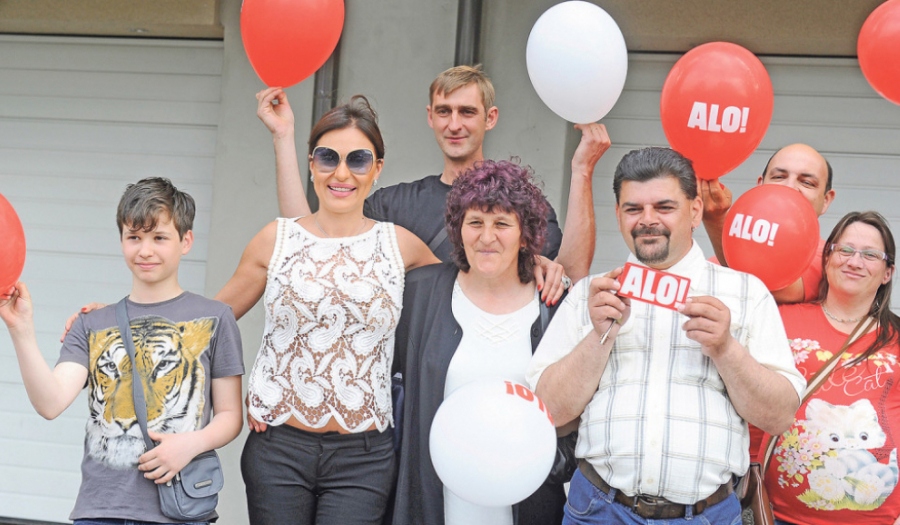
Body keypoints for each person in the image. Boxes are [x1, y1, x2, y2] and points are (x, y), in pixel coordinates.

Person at [527, 147, 807, 524]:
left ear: (694, 211)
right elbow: (548, 413)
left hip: (706, 515)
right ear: (618, 215)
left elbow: (780, 415)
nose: (647, 220)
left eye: (663, 207)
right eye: (633, 209)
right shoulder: (590, 294)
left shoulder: (746, 292)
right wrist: (599, 336)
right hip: (598, 510)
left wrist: (726, 349)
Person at [223, 95, 440, 525]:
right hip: (278, 451)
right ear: (311, 164)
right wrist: (123, 316)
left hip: (365, 458)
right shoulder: (277, 239)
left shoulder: (401, 246)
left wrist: (544, 265)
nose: (342, 173)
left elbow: (470, 294)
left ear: (377, 168)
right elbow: (211, 320)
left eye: (358, 160)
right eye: (328, 158)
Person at [0, 177, 245, 524]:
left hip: (179, 511)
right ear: (122, 240)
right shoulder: (92, 323)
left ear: (185, 241)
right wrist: (20, 329)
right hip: (100, 510)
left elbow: (231, 415)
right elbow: (50, 403)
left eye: (159, 237)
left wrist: (190, 444)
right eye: (134, 237)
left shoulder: (215, 318)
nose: (145, 250)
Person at [259, 64, 611, 287]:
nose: (454, 124)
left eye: (467, 112)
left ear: (490, 118)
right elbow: (309, 239)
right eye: (444, 111)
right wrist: (282, 136)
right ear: (430, 117)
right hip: (410, 380)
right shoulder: (393, 204)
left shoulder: (518, 202)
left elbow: (571, 275)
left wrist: (582, 171)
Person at [391, 159, 570, 525]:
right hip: (434, 505)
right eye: (475, 222)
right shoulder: (419, 295)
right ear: (458, 229)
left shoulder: (555, 306)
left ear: (525, 234)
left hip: (528, 506)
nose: (487, 237)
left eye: (502, 223)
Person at [758, 211, 900, 525]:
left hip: (887, 518)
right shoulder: (780, 319)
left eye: (871, 255)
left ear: (887, 272)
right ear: (827, 258)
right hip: (784, 517)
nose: (855, 262)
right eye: (845, 250)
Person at [700, 143, 836, 303]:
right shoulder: (715, 262)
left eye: (807, 182)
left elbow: (767, 288)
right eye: (779, 177)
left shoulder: (831, 260)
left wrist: (715, 219)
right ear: (760, 185)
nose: (790, 187)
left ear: (826, 201)